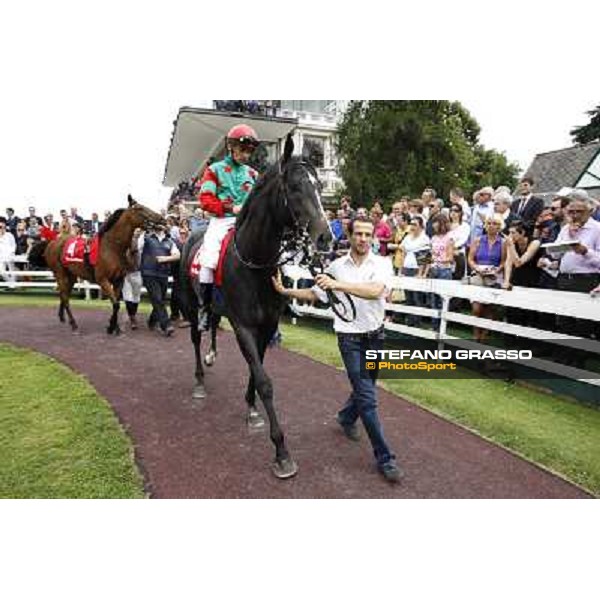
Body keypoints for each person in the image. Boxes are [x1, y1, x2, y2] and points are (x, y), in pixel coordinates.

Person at [271, 218, 402, 483]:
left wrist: (338, 285)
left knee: (366, 389)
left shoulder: (383, 264)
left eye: (368, 234)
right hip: (349, 339)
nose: (364, 239)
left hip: (376, 336)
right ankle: (385, 458)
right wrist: (286, 290)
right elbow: (317, 294)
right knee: (367, 396)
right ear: (350, 237)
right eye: (359, 234)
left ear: (373, 237)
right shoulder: (335, 266)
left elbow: (376, 291)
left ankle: (345, 417)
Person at [195, 123, 260, 330]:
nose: (246, 155)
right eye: (243, 150)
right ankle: (205, 308)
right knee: (208, 261)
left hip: (249, 222)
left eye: (249, 151)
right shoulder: (214, 170)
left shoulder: (253, 174)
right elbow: (206, 200)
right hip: (222, 220)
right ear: (231, 147)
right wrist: (232, 208)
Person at [139, 223, 181, 337]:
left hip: (163, 274)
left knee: (159, 299)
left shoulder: (170, 241)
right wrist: (144, 231)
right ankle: (166, 325)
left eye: (163, 223)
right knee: (157, 298)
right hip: (149, 273)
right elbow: (137, 247)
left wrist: (165, 258)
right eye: (158, 223)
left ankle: (152, 321)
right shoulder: (146, 238)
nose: (160, 225)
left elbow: (177, 255)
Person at [122, 227, 144, 330]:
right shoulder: (125, 242)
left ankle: (132, 315)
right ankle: (132, 318)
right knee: (128, 296)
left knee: (136, 296)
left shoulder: (143, 241)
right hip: (126, 273)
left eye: (139, 231)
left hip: (137, 272)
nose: (137, 233)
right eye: (136, 231)